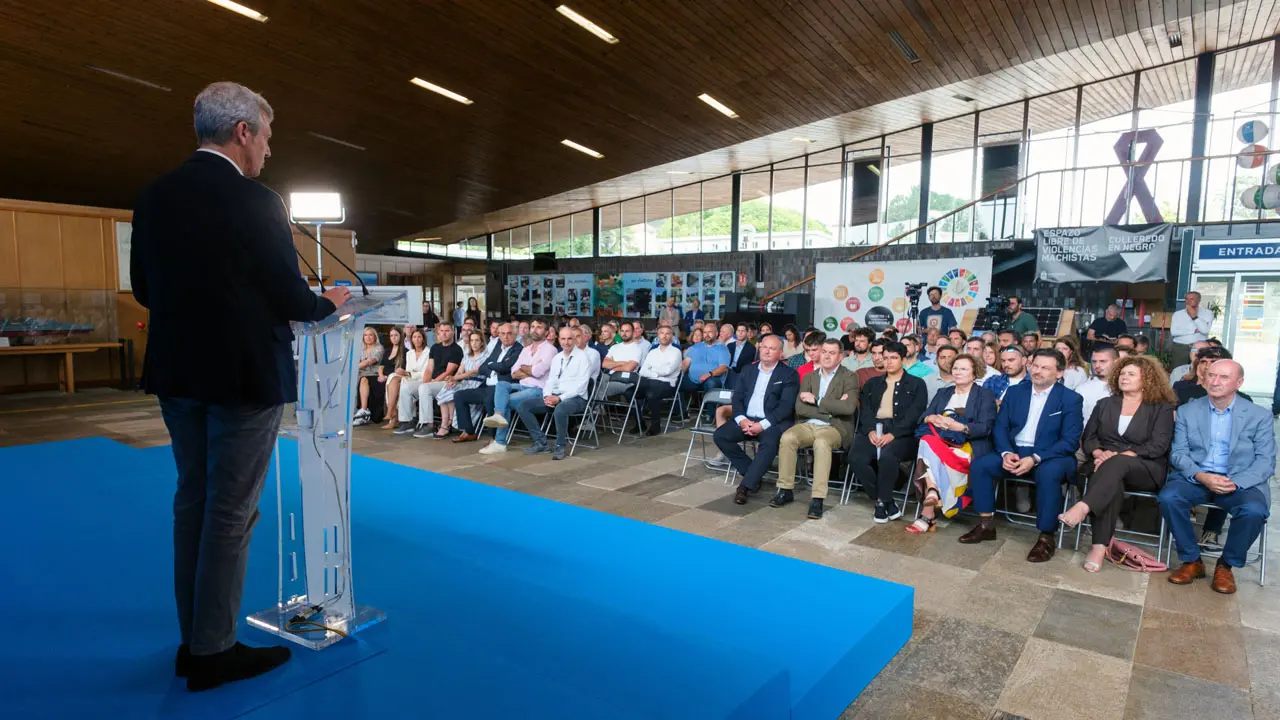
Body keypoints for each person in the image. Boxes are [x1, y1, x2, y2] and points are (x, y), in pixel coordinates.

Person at [130, 81, 352, 690]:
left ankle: (194, 640)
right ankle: (214, 651)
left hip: (178, 373)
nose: (269, 152)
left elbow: (146, 290)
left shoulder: (153, 196)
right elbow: (289, 297)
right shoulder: (256, 201)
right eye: (268, 137)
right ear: (243, 132)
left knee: (192, 504)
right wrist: (326, 301)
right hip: (243, 376)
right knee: (231, 513)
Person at [1159, 360, 1274, 594]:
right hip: (1198, 476)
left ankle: (1226, 565)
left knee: (1254, 510)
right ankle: (1192, 560)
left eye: (1223, 377)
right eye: (1211, 376)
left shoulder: (1258, 415)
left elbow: (1265, 461)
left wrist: (1236, 482)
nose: (1214, 381)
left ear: (1238, 382)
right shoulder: (1188, 410)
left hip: (1238, 479)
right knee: (1169, 498)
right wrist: (1201, 475)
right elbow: (1179, 454)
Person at [960, 349, 1084, 562]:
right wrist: (1007, 452)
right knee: (981, 465)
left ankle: (1046, 537)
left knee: (1048, 473)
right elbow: (1001, 426)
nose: (1037, 371)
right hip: (1015, 450)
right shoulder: (1017, 391)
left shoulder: (1070, 399)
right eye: (1035, 366)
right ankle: (986, 524)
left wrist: (1035, 458)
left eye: (1045, 368)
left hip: (1052, 455)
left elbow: (1069, 441)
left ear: (1059, 373)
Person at [1058, 355, 1176, 572]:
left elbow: (1158, 446)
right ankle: (1099, 547)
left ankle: (1083, 507)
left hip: (1145, 467)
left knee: (1114, 466)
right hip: (1104, 465)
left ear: (1147, 378)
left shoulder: (1162, 408)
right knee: (1110, 479)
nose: (1124, 377)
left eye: (1131, 374)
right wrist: (1099, 452)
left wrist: (1119, 455)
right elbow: (1089, 437)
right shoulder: (1105, 404)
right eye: (1122, 373)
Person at [906, 354, 998, 534]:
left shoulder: (984, 395)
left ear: (974, 373)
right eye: (955, 368)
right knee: (927, 441)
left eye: (963, 369)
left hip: (968, 445)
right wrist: (932, 417)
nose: (957, 372)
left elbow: (986, 427)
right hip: (940, 441)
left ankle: (929, 508)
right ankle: (932, 494)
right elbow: (923, 417)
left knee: (927, 447)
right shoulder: (944, 392)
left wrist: (961, 427)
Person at [773, 339, 859, 520]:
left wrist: (817, 400)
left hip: (835, 427)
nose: (827, 356)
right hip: (809, 423)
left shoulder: (849, 377)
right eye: (824, 351)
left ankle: (817, 498)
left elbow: (848, 408)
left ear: (841, 356)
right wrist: (831, 410)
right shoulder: (809, 377)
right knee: (787, 437)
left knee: (821, 443)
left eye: (832, 352)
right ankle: (785, 489)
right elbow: (800, 408)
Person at [849, 341, 928, 522]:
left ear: (902, 359)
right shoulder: (872, 383)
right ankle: (886, 499)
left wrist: (893, 434)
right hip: (873, 429)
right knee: (856, 458)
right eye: (885, 358)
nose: (889, 362)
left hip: (902, 433)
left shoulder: (917, 384)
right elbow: (866, 411)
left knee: (887, 456)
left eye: (894, 358)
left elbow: (915, 413)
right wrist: (870, 430)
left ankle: (880, 503)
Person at [716, 335, 800, 506]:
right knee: (720, 436)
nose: (767, 351)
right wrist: (741, 420)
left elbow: (786, 406)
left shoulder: (789, 374)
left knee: (770, 444)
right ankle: (751, 472)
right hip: (746, 419)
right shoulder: (748, 370)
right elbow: (737, 397)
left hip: (772, 422)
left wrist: (761, 425)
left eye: (772, 348)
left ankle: (745, 487)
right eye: (764, 347)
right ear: (759, 349)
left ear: (781, 353)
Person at [512, 326, 593, 460]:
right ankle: (541, 442)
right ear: (558, 339)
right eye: (563, 339)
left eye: (569, 339)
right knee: (523, 406)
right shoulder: (557, 358)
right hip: (555, 395)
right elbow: (550, 381)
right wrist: (547, 396)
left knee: (560, 410)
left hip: (576, 398)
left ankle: (560, 446)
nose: (566, 342)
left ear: (574, 339)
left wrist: (559, 398)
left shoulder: (583, 357)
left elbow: (581, 387)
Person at [479, 319, 557, 454]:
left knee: (505, 402)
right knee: (502, 384)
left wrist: (527, 369)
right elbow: (514, 373)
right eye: (532, 326)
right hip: (522, 386)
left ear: (546, 332)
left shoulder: (550, 350)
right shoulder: (526, 350)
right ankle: (498, 415)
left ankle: (500, 442)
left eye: (539, 327)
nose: (534, 329)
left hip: (538, 390)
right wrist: (530, 369)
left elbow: (537, 372)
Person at [453, 323, 522, 443]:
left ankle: (493, 437)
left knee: (489, 400)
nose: (506, 337)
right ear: (499, 335)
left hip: (502, 387)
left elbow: (504, 366)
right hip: (487, 385)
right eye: (502, 333)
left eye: (509, 333)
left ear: (515, 335)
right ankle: (469, 432)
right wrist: (493, 368)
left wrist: (492, 366)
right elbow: (484, 366)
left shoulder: (518, 349)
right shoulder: (498, 345)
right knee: (459, 395)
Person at [395, 322, 462, 437]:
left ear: (453, 332)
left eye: (447, 331)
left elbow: (448, 371)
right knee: (406, 387)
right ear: (438, 333)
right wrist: (426, 381)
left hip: (447, 383)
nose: (444, 334)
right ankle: (407, 421)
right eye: (442, 331)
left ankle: (428, 425)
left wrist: (432, 382)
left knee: (425, 388)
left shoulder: (456, 349)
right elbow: (429, 368)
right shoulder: (435, 347)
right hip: (432, 382)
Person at [434, 330, 488, 439]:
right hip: (464, 382)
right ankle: (446, 423)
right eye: (472, 340)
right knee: (447, 387)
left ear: (482, 342)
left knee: (454, 391)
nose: (474, 343)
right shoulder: (467, 356)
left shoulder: (486, 357)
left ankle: (448, 424)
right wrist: (453, 380)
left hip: (477, 385)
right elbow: (460, 371)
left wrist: (455, 378)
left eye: (477, 340)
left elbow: (472, 372)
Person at [635, 326, 683, 435]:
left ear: (671, 336)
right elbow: (642, 371)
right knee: (630, 391)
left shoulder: (676, 352)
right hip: (649, 382)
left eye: (667, 333)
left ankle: (655, 426)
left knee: (651, 394)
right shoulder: (653, 352)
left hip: (667, 384)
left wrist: (652, 371)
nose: (664, 336)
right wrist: (657, 373)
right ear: (658, 335)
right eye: (662, 333)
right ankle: (639, 423)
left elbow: (667, 371)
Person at [601, 322, 648, 399]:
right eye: (622, 331)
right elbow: (604, 364)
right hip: (611, 378)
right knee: (597, 384)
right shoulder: (614, 347)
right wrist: (622, 363)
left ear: (633, 332)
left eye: (627, 331)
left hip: (627, 379)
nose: (624, 333)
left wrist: (613, 366)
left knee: (600, 386)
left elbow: (628, 368)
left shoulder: (637, 349)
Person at [681, 326, 730, 396]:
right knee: (676, 381)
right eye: (704, 332)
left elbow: (723, 368)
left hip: (712, 378)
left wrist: (709, 374)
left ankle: (710, 406)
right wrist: (677, 373)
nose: (706, 334)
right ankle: (682, 406)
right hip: (692, 379)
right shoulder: (696, 346)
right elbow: (686, 362)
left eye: (709, 332)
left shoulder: (723, 349)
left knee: (711, 383)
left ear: (716, 333)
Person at [1169, 290, 1213, 369]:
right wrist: (1193, 331)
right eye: (1186, 299)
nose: (1188, 301)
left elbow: (1205, 330)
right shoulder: (1177, 314)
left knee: (1198, 369)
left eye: (1192, 299)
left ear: (1198, 300)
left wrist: (1194, 317)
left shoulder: (1208, 313)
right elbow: (1174, 332)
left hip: (1200, 347)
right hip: (1180, 347)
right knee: (1178, 370)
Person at [353, 327, 385, 426]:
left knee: (363, 380)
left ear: (375, 336)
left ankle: (363, 411)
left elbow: (370, 361)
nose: (368, 337)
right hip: (358, 374)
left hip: (373, 375)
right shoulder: (360, 348)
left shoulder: (379, 347)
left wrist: (353, 368)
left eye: (371, 335)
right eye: (365, 335)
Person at [1078, 346, 1117, 426]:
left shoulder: (1126, 387)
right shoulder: (1082, 389)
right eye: (1094, 361)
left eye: (1103, 361)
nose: (1097, 365)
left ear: (1116, 362)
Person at [378, 327, 406, 429]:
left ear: (401, 336)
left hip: (397, 377)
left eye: (396, 335)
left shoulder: (405, 351)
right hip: (385, 377)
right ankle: (392, 416)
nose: (393, 338)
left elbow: (403, 369)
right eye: (391, 336)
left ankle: (391, 414)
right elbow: (381, 366)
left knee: (392, 380)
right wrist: (381, 375)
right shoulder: (387, 350)